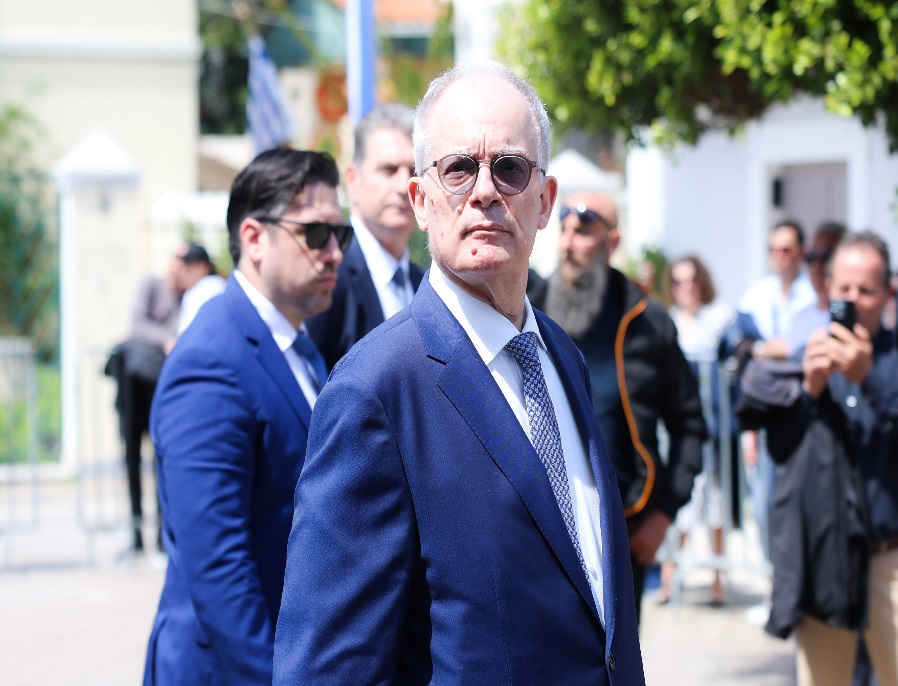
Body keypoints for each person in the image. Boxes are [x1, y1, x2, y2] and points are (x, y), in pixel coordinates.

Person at [274, 61, 645, 683]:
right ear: (420, 202)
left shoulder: (561, 356)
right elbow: (327, 668)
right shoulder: (375, 391)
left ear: (545, 200)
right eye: (458, 169)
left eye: (510, 168)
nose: (485, 191)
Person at [142, 148, 350, 685]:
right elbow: (218, 566)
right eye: (315, 234)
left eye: (341, 235)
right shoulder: (212, 361)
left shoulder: (296, 345)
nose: (334, 253)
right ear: (254, 238)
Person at [528, 193, 707, 622]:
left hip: (622, 530)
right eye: (564, 229)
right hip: (537, 529)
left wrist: (663, 513)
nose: (569, 242)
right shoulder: (527, 308)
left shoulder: (646, 321)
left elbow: (689, 423)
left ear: (612, 242)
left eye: (584, 230)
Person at [739, 231, 898, 686]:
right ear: (827, 288)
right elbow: (782, 450)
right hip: (825, 559)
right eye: (844, 288)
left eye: (866, 290)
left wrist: (870, 379)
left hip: (889, 559)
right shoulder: (808, 354)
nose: (854, 301)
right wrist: (808, 392)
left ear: (888, 292)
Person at [307, 102, 424, 371]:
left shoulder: (425, 285)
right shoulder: (326, 277)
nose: (404, 186)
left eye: (413, 171)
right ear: (352, 179)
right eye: (388, 170)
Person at [657, 255, 736, 608]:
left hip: (711, 431)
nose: (686, 287)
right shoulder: (667, 321)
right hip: (677, 429)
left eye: (692, 280)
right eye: (678, 281)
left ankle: (719, 581)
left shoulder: (718, 318)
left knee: (715, 505)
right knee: (680, 506)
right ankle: (669, 581)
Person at [105, 247, 183, 553]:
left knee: (160, 460)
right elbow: (136, 325)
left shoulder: (185, 299)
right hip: (133, 385)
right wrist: (166, 339)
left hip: (158, 386)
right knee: (132, 460)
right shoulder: (151, 284)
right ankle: (136, 530)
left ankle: (161, 534)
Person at [786, 221, 847, 358]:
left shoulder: (846, 312)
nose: (816, 264)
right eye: (811, 257)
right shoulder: (800, 317)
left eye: (826, 256)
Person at [174, 241, 226, 335]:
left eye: (185, 265)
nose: (180, 271)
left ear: (203, 266)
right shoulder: (194, 289)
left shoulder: (211, 287)